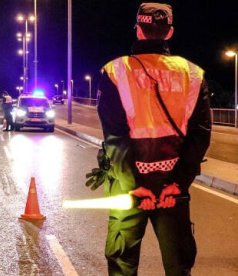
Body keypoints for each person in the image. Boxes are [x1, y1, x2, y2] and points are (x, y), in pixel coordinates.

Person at [96, 3, 211, 275]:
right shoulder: (192, 74)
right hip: (172, 189)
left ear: (138, 29)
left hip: (129, 188)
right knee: (178, 267)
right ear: (169, 32)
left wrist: (136, 185)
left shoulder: (115, 71)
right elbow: (200, 135)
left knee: (122, 266)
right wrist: (177, 184)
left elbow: (115, 138)